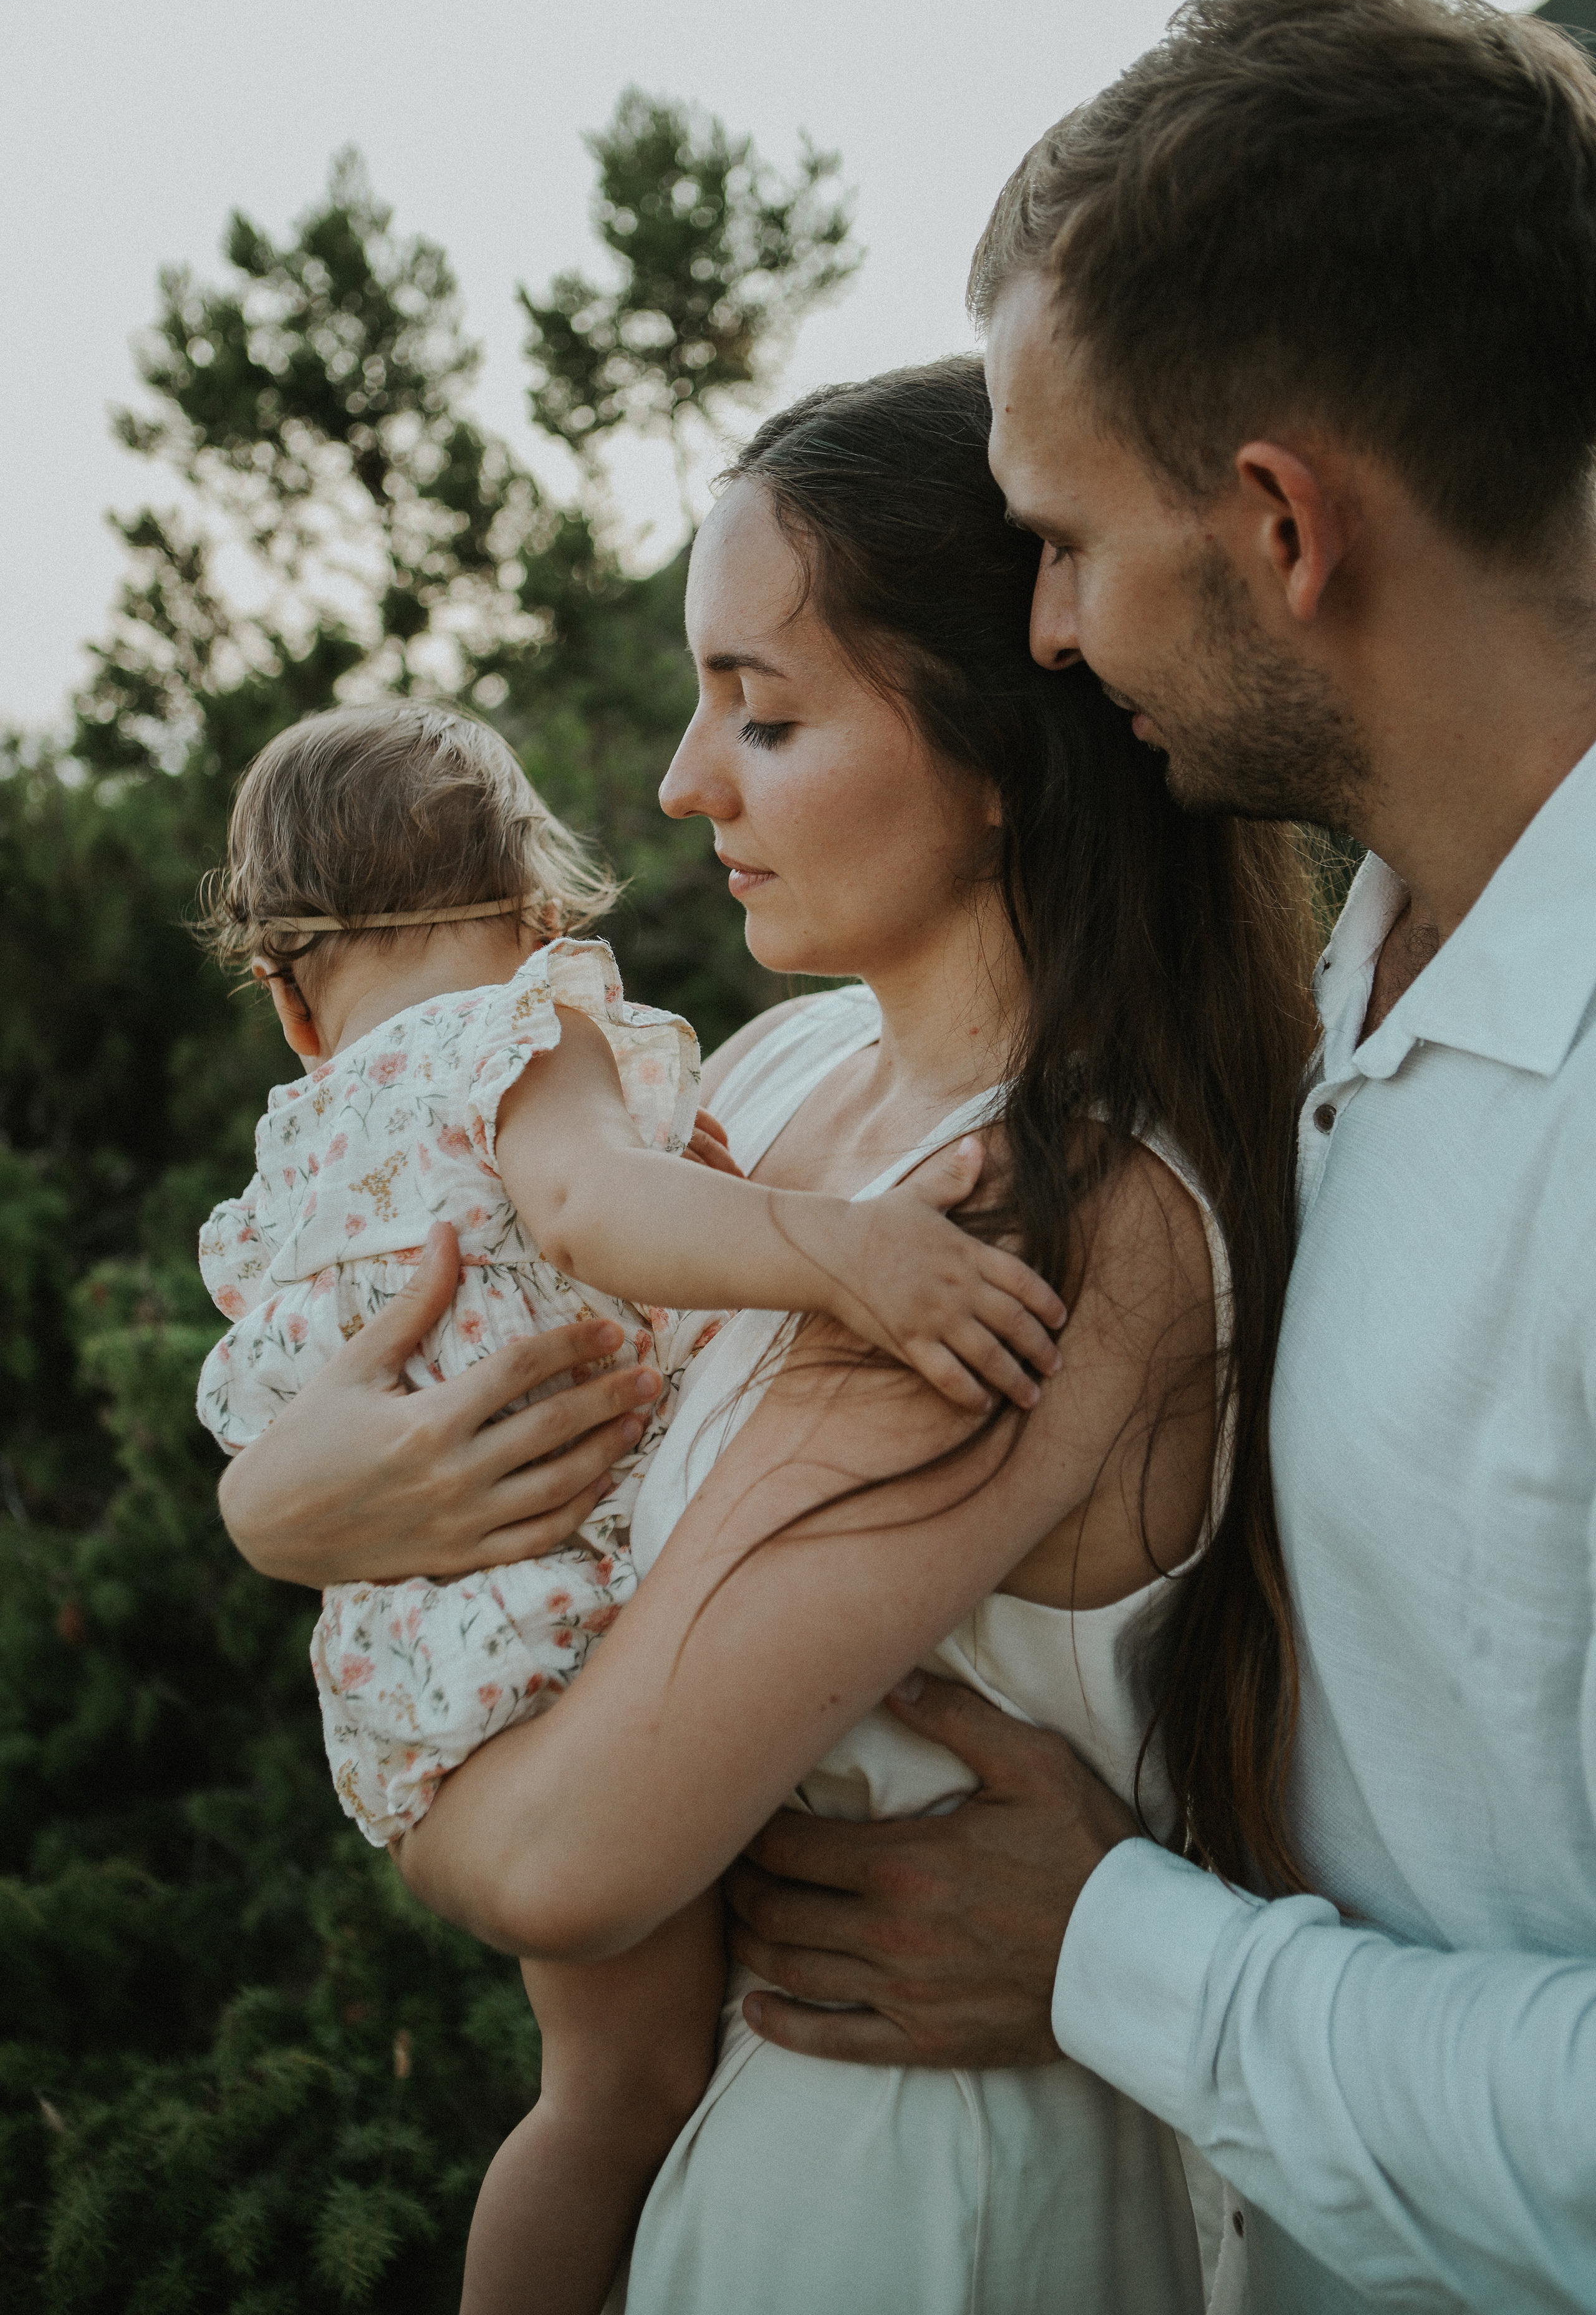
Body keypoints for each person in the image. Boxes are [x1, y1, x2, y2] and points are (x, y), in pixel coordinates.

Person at [224, 355, 1317, 2311]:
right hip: (733, 2124)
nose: (680, 782)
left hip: (909, 2194)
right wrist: (281, 1512)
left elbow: (566, 1864)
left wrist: (371, 1679)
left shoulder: (1045, 1214)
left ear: (1004, 746)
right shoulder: (786, 1074)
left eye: (768, 712)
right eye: (698, 698)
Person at [700, 0, 1596, 2315]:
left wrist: (1116, 1953)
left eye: (1069, 542)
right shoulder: (1371, 972)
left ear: (1283, 524)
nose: (1048, 634)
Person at [191, 695, 1065, 2315]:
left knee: (596, 2091)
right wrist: (849, 1251)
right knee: (624, 2096)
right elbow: (595, 1213)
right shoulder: (522, 1039)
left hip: (416, 1670)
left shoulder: (299, 1161)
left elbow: (280, 1416)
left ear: (291, 1000)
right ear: (539, 914)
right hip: (560, 1646)